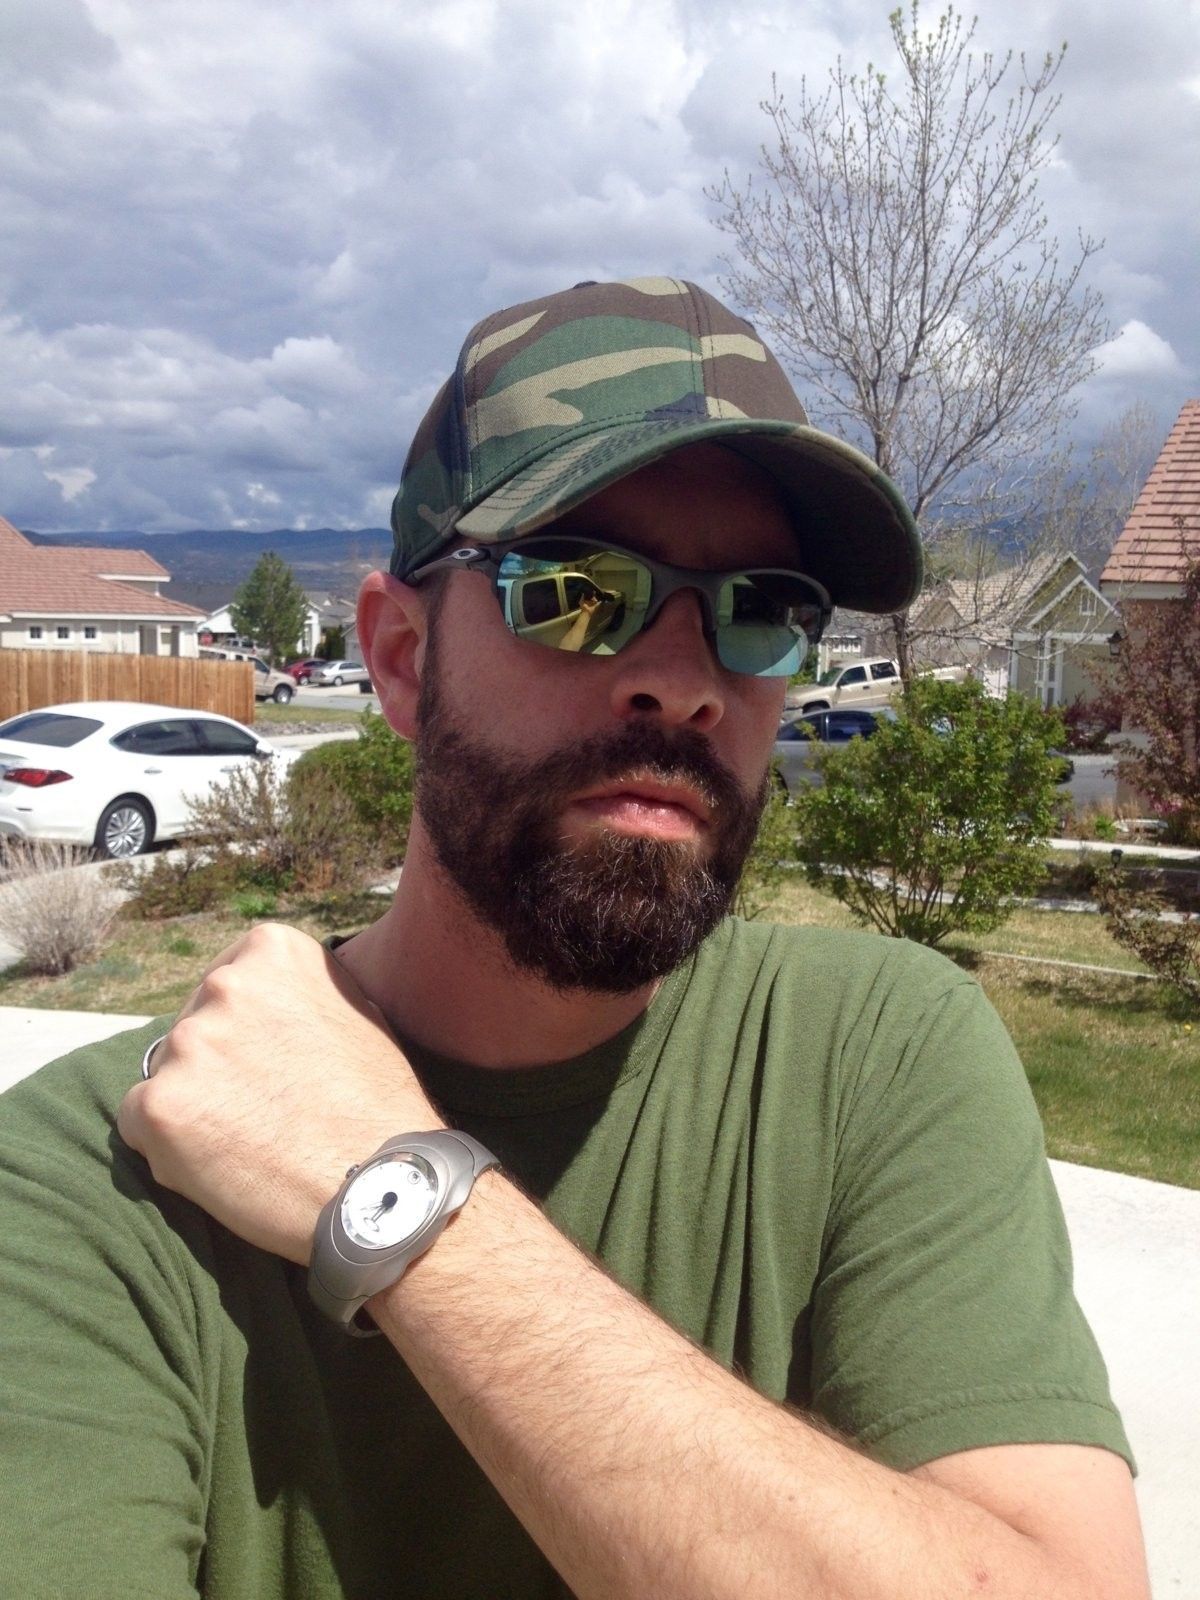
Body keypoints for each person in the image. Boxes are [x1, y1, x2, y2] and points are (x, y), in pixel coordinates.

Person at [0, 277, 1149, 1600]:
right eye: (575, 591)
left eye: (762, 608)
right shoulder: (93, 1179)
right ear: (399, 657)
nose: (684, 679)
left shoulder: (872, 1056)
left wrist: (396, 1191)